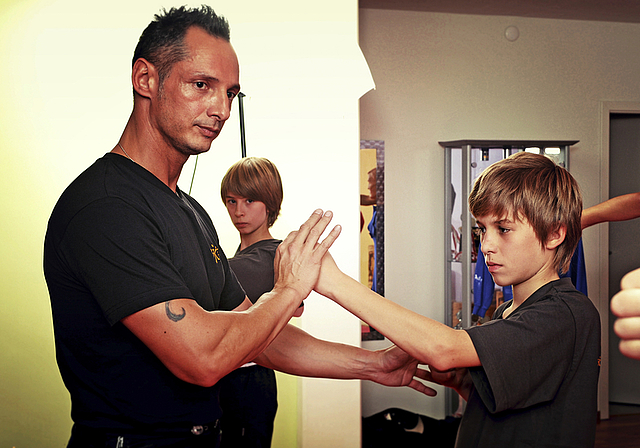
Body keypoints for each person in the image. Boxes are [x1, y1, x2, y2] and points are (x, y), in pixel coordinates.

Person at [43, 6, 431, 447]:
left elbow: (258, 337)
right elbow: (203, 357)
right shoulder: (107, 206)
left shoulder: (190, 210)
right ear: (145, 79)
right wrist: (288, 290)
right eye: (201, 85)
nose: (221, 109)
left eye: (230, 93)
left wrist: (372, 364)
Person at [315, 151, 601, 447]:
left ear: (554, 234)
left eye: (503, 229)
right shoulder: (507, 311)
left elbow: (444, 349)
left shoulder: (567, 314)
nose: (486, 245)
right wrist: (462, 383)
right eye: (482, 229)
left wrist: (336, 283)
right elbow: (512, 410)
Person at [217, 157, 290, 448]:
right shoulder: (236, 257)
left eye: (250, 200)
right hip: (223, 379)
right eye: (231, 201)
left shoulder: (274, 254)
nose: (239, 211)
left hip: (249, 381)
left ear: (269, 203)